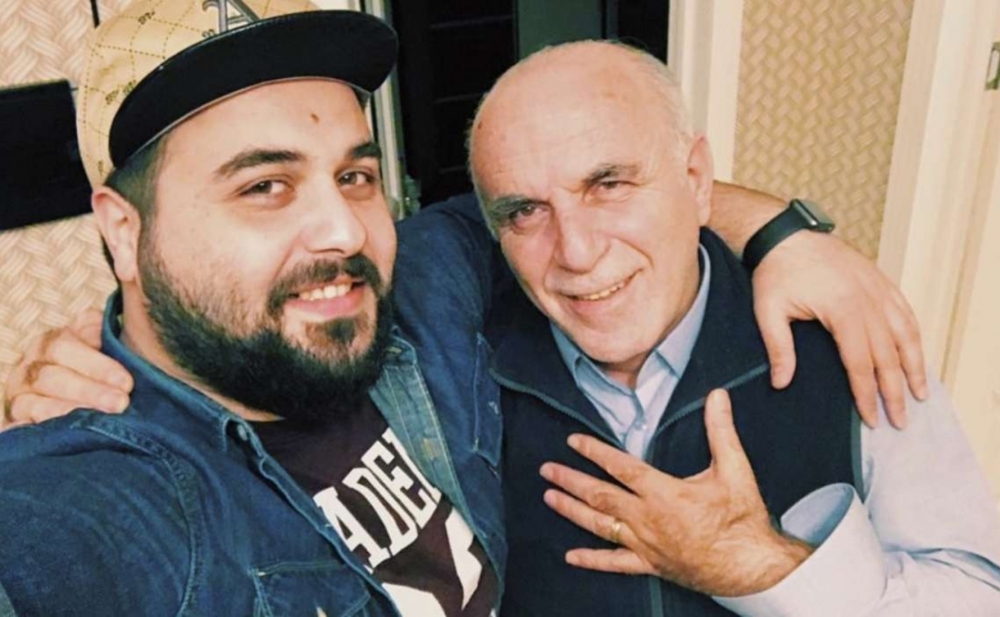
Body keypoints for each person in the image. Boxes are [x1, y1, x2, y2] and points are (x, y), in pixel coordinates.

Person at [0, 3, 939, 617]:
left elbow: (560, 199)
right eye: (264, 187)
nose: (343, 228)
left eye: (354, 174)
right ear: (124, 232)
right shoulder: (101, 491)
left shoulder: (421, 283)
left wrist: (782, 231)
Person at [455, 40, 1000, 615]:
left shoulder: (844, 336)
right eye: (525, 212)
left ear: (696, 178)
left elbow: (978, 597)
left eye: (609, 185)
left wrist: (759, 566)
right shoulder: (464, 373)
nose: (577, 251)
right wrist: (773, 227)